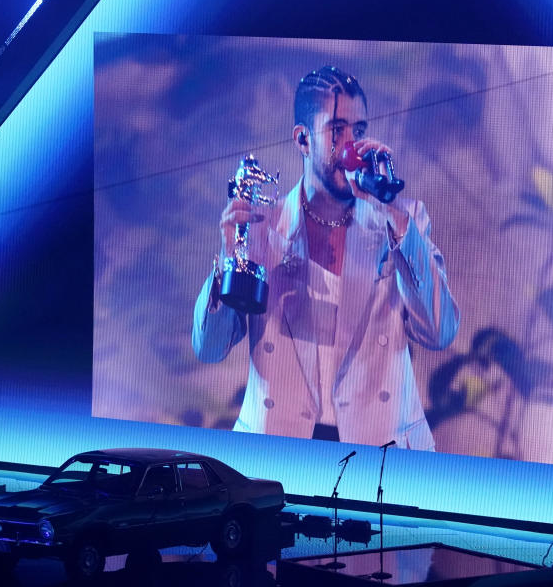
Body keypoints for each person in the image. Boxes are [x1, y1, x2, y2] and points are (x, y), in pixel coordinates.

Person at [192, 66, 459, 450]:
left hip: (380, 454)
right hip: (278, 453)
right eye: (337, 130)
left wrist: (392, 214)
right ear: (303, 139)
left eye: (359, 131)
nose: (352, 146)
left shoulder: (402, 219)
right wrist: (228, 258)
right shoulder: (263, 227)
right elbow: (210, 348)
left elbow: (439, 331)